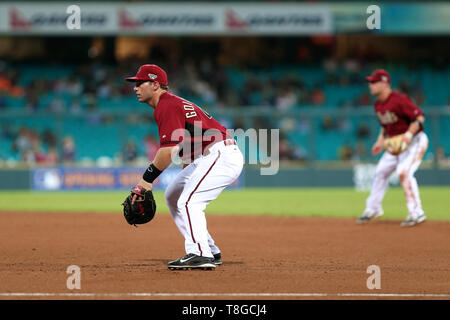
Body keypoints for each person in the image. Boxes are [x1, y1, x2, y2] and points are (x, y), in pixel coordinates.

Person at [125, 64, 244, 270]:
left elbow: (167, 152)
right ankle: (209, 250)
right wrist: (186, 175)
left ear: (154, 85)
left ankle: (199, 253)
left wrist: (145, 182)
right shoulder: (171, 104)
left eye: (139, 83)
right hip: (208, 156)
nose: (135, 87)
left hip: (220, 154)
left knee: (189, 201)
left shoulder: (166, 105)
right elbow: (185, 147)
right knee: (173, 195)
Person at [357, 69, 428, 227]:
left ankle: (417, 212)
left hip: (414, 141)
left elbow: (419, 117)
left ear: (384, 83)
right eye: (370, 82)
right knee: (380, 172)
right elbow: (385, 127)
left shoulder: (399, 100)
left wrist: (408, 135)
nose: (370, 85)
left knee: (404, 172)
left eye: (374, 82)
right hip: (395, 144)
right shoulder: (378, 105)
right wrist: (379, 141)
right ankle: (373, 208)